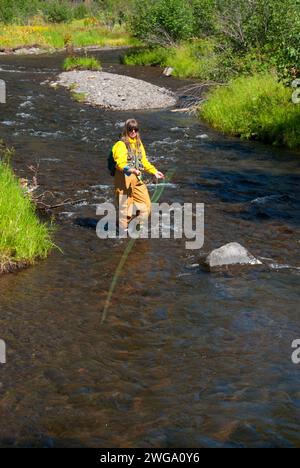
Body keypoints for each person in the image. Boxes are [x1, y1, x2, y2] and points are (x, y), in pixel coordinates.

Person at [112, 119, 164, 232]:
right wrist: (131, 170)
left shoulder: (139, 144)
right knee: (125, 210)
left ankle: (134, 228)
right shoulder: (120, 145)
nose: (133, 132)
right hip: (123, 179)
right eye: (130, 129)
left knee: (146, 206)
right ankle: (122, 235)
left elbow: (143, 161)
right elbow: (120, 164)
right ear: (126, 130)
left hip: (137, 178)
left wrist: (154, 171)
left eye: (136, 129)